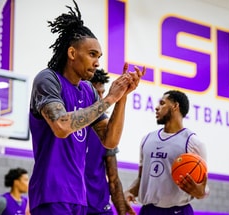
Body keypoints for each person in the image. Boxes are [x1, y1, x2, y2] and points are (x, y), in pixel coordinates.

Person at [28, 0, 146, 214]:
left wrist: (122, 98)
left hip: (79, 197)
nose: (97, 62)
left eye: (99, 56)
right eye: (92, 54)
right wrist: (109, 98)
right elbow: (61, 126)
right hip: (50, 193)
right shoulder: (47, 79)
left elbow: (110, 140)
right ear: (72, 53)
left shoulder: (88, 91)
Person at [124, 90, 209, 215]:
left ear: (175, 106)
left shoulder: (194, 143)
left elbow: (203, 189)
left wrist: (200, 192)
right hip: (148, 211)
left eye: (162, 103)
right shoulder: (147, 139)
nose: (157, 107)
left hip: (178, 211)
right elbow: (142, 178)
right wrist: (129, 191)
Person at [85, 69, 135, 215]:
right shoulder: (68, 123)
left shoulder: (105, 129)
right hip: (73, 205)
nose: (100, 98)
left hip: (100, 208)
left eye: (103, 93)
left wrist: (121, 210)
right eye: (96, 93)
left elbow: (113, 179)